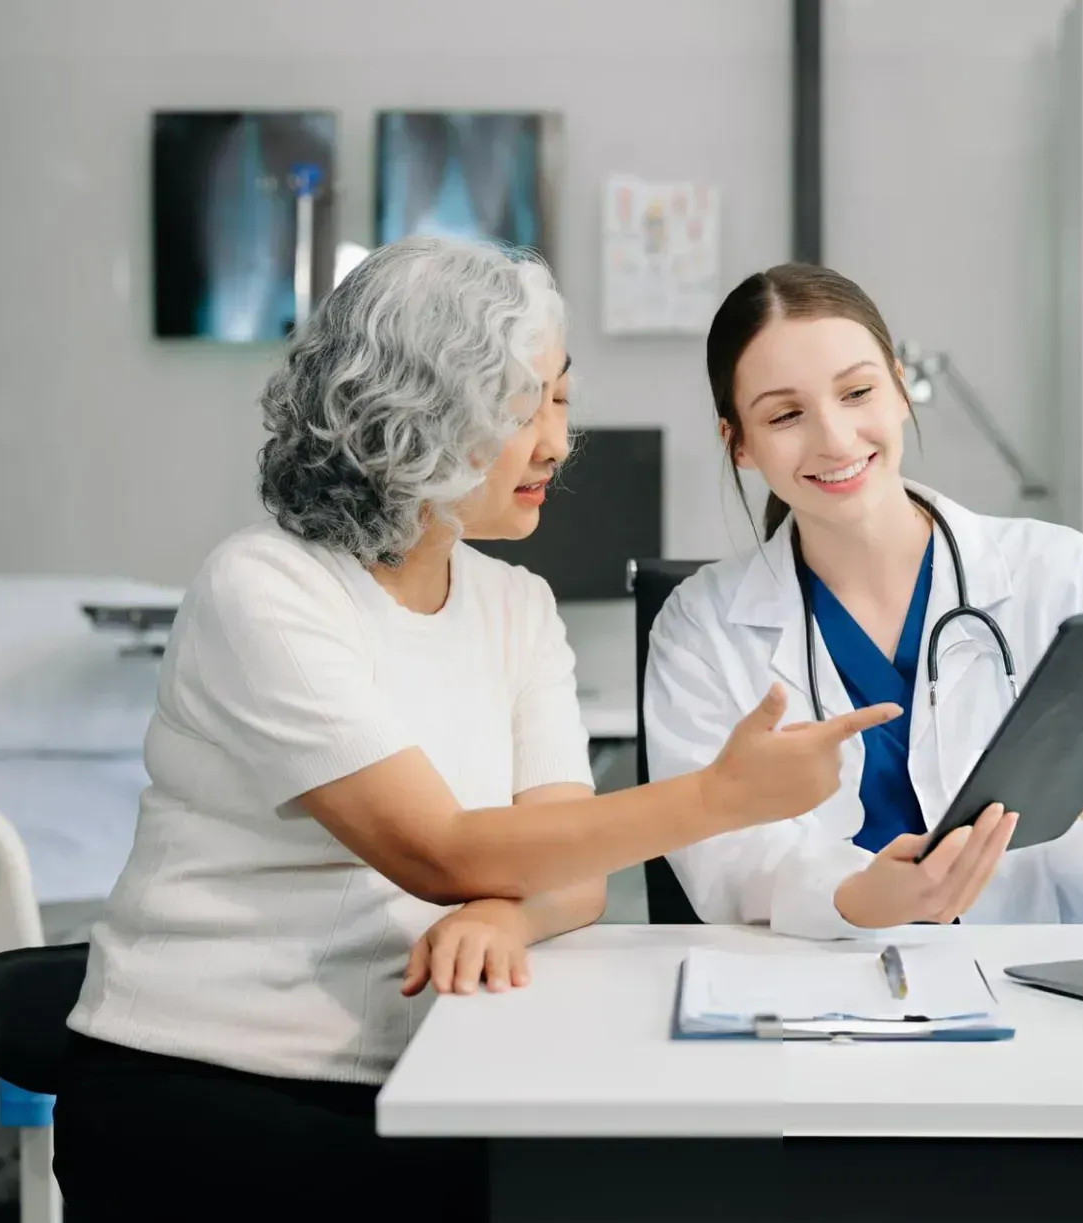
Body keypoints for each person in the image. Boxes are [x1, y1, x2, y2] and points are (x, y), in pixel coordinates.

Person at [53, 237, 896, 1220]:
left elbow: (573, 872)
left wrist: (509, 912)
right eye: (517, 407)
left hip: (435, 1064)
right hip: (211, 1083)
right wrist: (716, 798)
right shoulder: (265, 586)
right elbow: (440, 849)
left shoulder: (514, 604)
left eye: (561, 399)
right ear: (411, 413)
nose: (554, 442)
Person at [642, 263, 1083, 939]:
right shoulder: (701, 628)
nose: (836, 439)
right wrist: (853, 898)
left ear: (901, 391)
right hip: (810, 1000)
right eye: (786, 414)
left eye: (857, 392)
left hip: (1025, 999)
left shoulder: (1063, 578)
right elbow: (721, 866)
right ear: (740, 445)